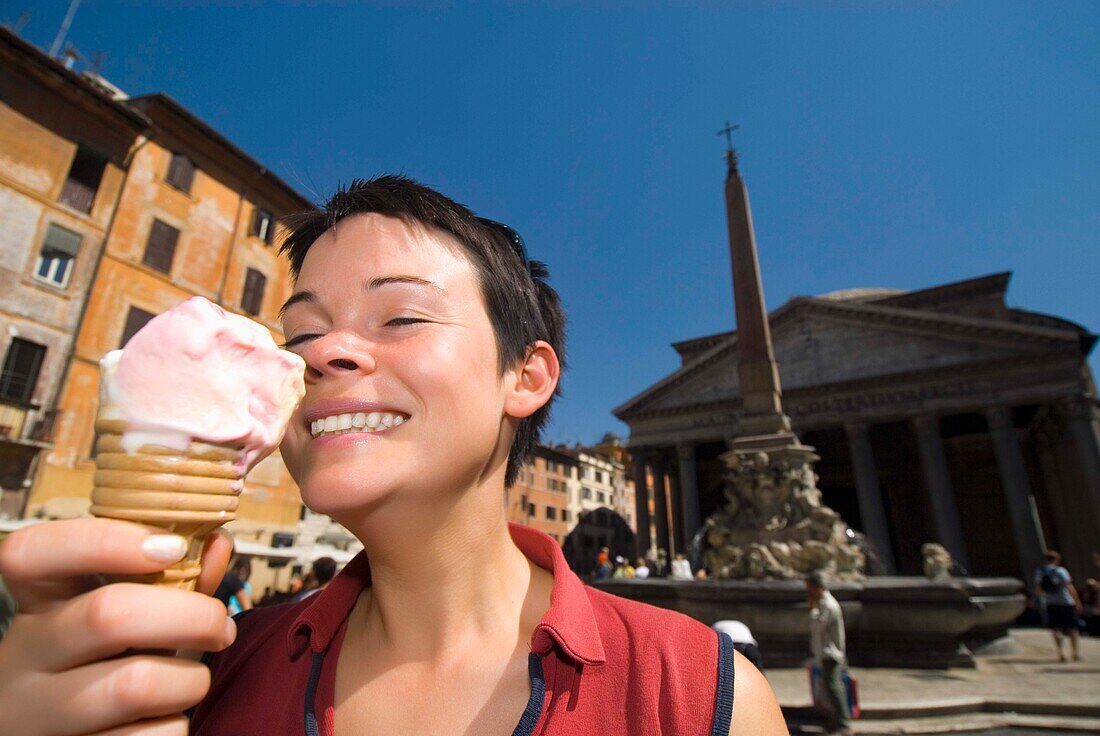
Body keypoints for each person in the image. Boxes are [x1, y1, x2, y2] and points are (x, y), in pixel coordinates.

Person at [0, 176, 786, 735]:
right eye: (301, 333)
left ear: (527, 375)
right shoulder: (197, 680)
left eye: (400, 316)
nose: (324, 353)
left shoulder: (701, 700)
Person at [805, 571, 851, 736]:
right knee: (829, 688)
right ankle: (835, 722)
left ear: (817, 587)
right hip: (825, 653)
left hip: (830, 654)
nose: (808, 592)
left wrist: (812, 609)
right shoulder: (824, 603)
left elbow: (818, 626)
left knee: (834, 687)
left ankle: (843, 724)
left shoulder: (828, 605)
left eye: (809, 588)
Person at [1033, 549, 1084, 662]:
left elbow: (1038, 589)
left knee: (1056, 629)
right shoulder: (1060, 571)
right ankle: (1075, 653)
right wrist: (1077, 601)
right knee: (1072, 628)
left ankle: (1061, 653)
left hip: (1051, 603)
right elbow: (1069, 587)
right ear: (1056, 560)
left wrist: (1043, 597)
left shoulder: (1040, 572)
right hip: (1066, 602)